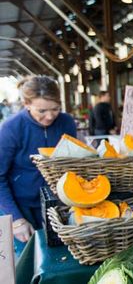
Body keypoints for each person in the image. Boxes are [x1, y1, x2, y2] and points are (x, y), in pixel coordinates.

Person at [0, 76, 76, 246]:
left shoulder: (67, 122)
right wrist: (16, 219)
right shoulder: (11, 128)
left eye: (55, 109)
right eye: (41, 111)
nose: (49, 116)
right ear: (26, 104)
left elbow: (73, 164)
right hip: (21, 207)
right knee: (28, 262)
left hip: (59, 205)